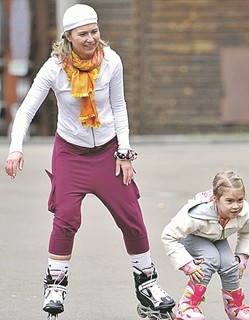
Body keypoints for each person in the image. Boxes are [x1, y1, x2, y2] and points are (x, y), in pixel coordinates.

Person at [3, 4, 175, 318]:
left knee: (131, 216)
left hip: (109, 152)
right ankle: (55, 282)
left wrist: (124, 153)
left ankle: (147, 283)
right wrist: (16, 148)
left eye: (94, 31)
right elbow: (26, 110)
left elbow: (120, 107)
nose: (90, 38)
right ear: (68, 36)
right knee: (66, 217)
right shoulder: (54, 67)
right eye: (83, 33)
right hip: (71, 153)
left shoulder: (111, 62)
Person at [162, 170, 249, 320]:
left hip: (217, 237)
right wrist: (187, 263)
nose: (236, 206)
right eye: (229, 201)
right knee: (210, 259)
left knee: (230, 264)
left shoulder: (244, 211)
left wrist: (242, 256)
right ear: (216, 199)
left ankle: (235, 307)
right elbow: (168, 235)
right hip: (193, 236)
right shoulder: (196, 214)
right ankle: (186, 306)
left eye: (240, 200)